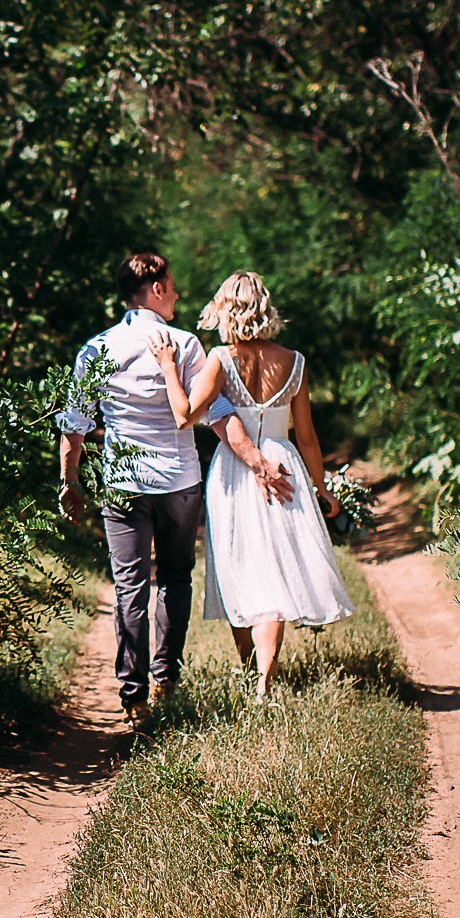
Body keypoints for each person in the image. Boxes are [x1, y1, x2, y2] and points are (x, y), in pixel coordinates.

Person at [57, 254, 296, 720]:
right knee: (174, 580)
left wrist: (70, 483)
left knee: (129, 587)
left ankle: (134, 697)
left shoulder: (96, 348)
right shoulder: (185, 345)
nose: (179, 294)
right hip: (179, 481)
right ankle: (165, 680)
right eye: (173, 285)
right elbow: (217, 414)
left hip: (123, 483)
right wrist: (258, 462)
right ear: (157, 289)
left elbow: (74, 426)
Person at [149, 270, 354, 702]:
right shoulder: (294, 361)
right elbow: (308, 436)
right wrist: (321, 487)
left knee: (239, 567)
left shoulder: (221, 359)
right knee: (275, 573)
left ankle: (252, 673)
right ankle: (262, 678)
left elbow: (185, 415)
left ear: (227, 310)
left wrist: (170, 368)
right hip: (284, 468)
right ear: (266, 308)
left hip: (234, 472)